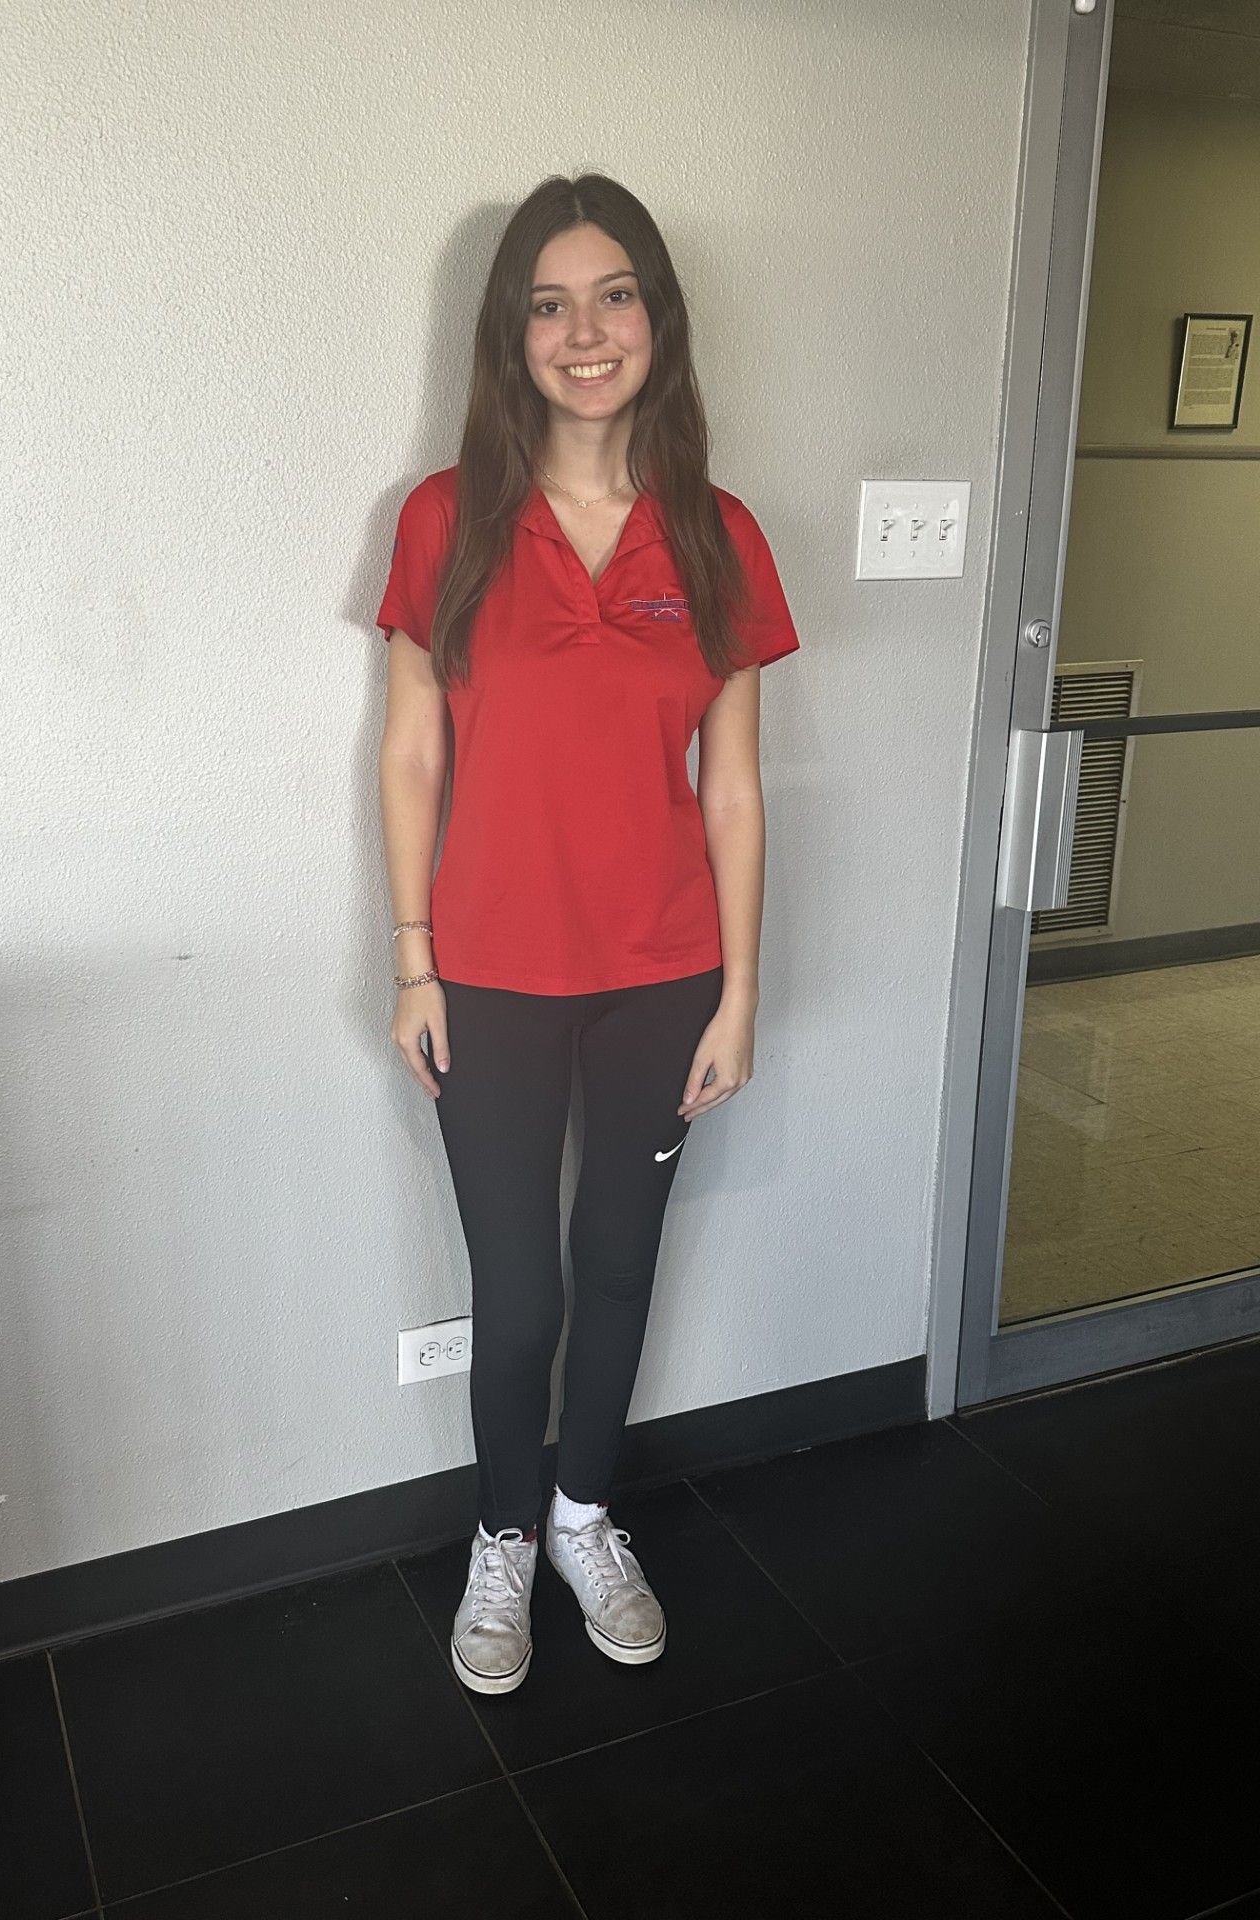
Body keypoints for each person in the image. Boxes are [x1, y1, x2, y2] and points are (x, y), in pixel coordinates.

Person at [374, 172, 800, 1696]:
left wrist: (740, 994)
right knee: (522, 1296)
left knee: (618, 1262)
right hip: (485, 979)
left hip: (663, 977)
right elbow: (410, 752)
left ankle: (580, 1517)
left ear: (657, 317)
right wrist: (413, 959)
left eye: (613, 295)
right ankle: (501, 1535)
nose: (584, 331)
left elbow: (733, 789)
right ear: (513, 335)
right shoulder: (447, 520)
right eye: (548, 305)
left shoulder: (719, 535)